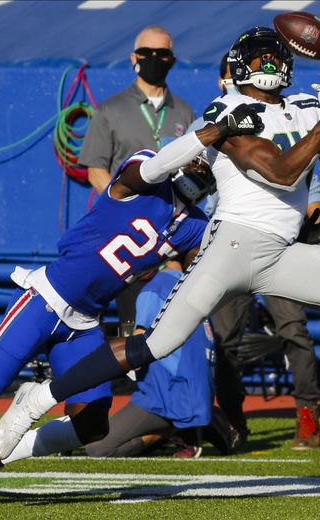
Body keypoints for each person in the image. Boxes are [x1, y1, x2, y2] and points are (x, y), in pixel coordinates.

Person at [0, 28, 320, 463]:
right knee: (156, 343)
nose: (268, 67)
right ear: (240, 68)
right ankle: (39, 398)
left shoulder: (303, 107)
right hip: (230, 245)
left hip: (280, 252)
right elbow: (281, 170)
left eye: (273, 60)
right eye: (259, 60)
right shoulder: (230, 111)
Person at [0, 104, 261, 504]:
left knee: (93, 424)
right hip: (46, 300)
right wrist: (216, 132)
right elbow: (157, 165)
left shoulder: (194, 225)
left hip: (86, 322)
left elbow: (218, 257)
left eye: (211, 164)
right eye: (199, 156)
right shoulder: (142, 176)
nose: (201, 167)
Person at [203, 53, 320, 450]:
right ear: (223, 80)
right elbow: (189, 183)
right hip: (229, 239)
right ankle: (233, 418)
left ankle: (308, 414)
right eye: (229, 76)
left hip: (281, 237)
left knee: (293, 327)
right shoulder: (209, 122)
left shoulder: (284, 115)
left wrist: (315, 216)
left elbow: (306, 177)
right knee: (225, 338)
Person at [79, 25, 196, 333]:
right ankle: (122, 377)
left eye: (162, 54)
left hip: (169, 231)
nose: (154, 59)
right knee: (127, 320)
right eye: (147, 53)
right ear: (134, 58)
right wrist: (130, 205)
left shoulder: (184, 112)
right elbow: (96, 170)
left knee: (167, 317)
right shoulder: (110, 109)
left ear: (172, 59)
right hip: (123, 229)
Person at [85, 259, 236, 459]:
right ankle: (204, 419)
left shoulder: (154, 289)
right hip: (197, 391)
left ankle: (172, 429)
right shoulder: (195, 286)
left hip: (169, 394)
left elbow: (136, 349)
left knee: (97, 448)